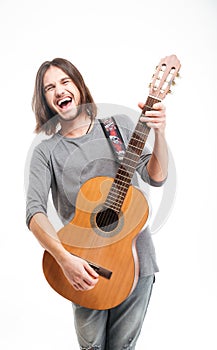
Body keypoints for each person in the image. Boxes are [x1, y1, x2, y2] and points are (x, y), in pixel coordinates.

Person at [26, 57, 168, 349]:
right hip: (83, 265)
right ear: (45, 101)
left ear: (78, 85)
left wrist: (160, 133)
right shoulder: (46, 152)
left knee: (122, 347)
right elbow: (34, 212)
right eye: (49, 87)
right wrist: (65, 261)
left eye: (65, 81)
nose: (58, 90)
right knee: (91, 347)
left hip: (136, 262)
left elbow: (156, 177)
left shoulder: (118, 127)